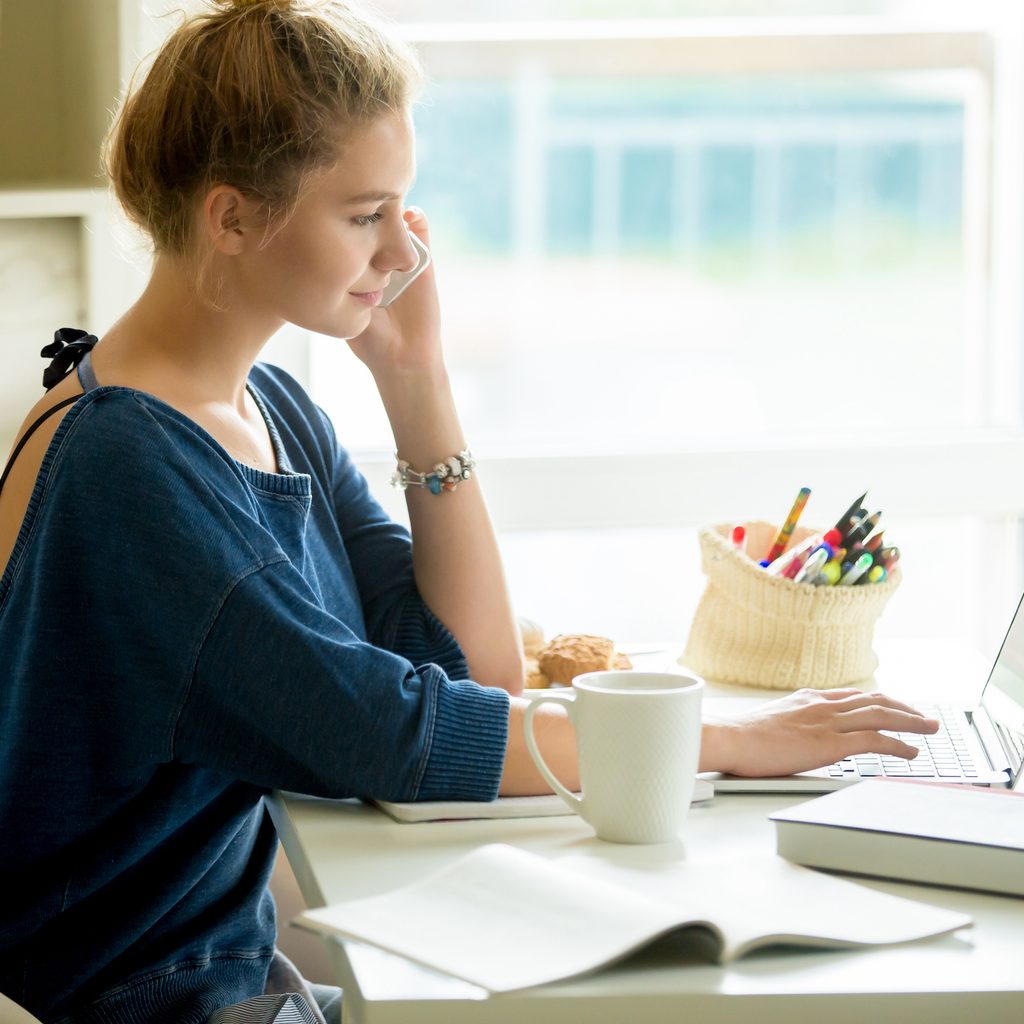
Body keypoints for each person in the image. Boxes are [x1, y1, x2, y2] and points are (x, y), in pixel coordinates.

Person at [0, 1, 940, 1021]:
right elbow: (389, 733)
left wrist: (418, 381)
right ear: (230, 218)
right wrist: (717, 738)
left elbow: (463, 665)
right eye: (365, 213)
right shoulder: (125, 466)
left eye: (404, 206)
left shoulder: (263, 408)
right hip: (147, 998)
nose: (404, 249)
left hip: (220, 970)